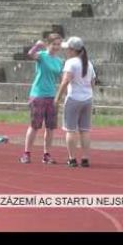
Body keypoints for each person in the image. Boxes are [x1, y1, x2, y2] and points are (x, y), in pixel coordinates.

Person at [20, 33, 63, 164]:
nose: (56, 47)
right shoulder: (42, 56)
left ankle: (46, 154)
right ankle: (26, 153)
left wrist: (60, 95)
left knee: (50, 128)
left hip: (51, 96)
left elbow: (62, 79)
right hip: (38, 94)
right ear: (48, 44)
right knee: (35, 126)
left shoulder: (59, 61)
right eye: (54, 44)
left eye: (58, 44)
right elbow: (30, 54)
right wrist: (37, 45)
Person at [54, 36, 96, 167]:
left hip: (73, 98)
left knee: (70, 130)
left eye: (68, 49)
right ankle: (85, 158)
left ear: (73, 50)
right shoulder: (88, 63)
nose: (66, 51)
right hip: (87, 98)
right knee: (85, 130)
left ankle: (72, 158)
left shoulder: (71, 63)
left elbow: (65, 81)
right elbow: (93, 82)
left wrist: (58, 98)